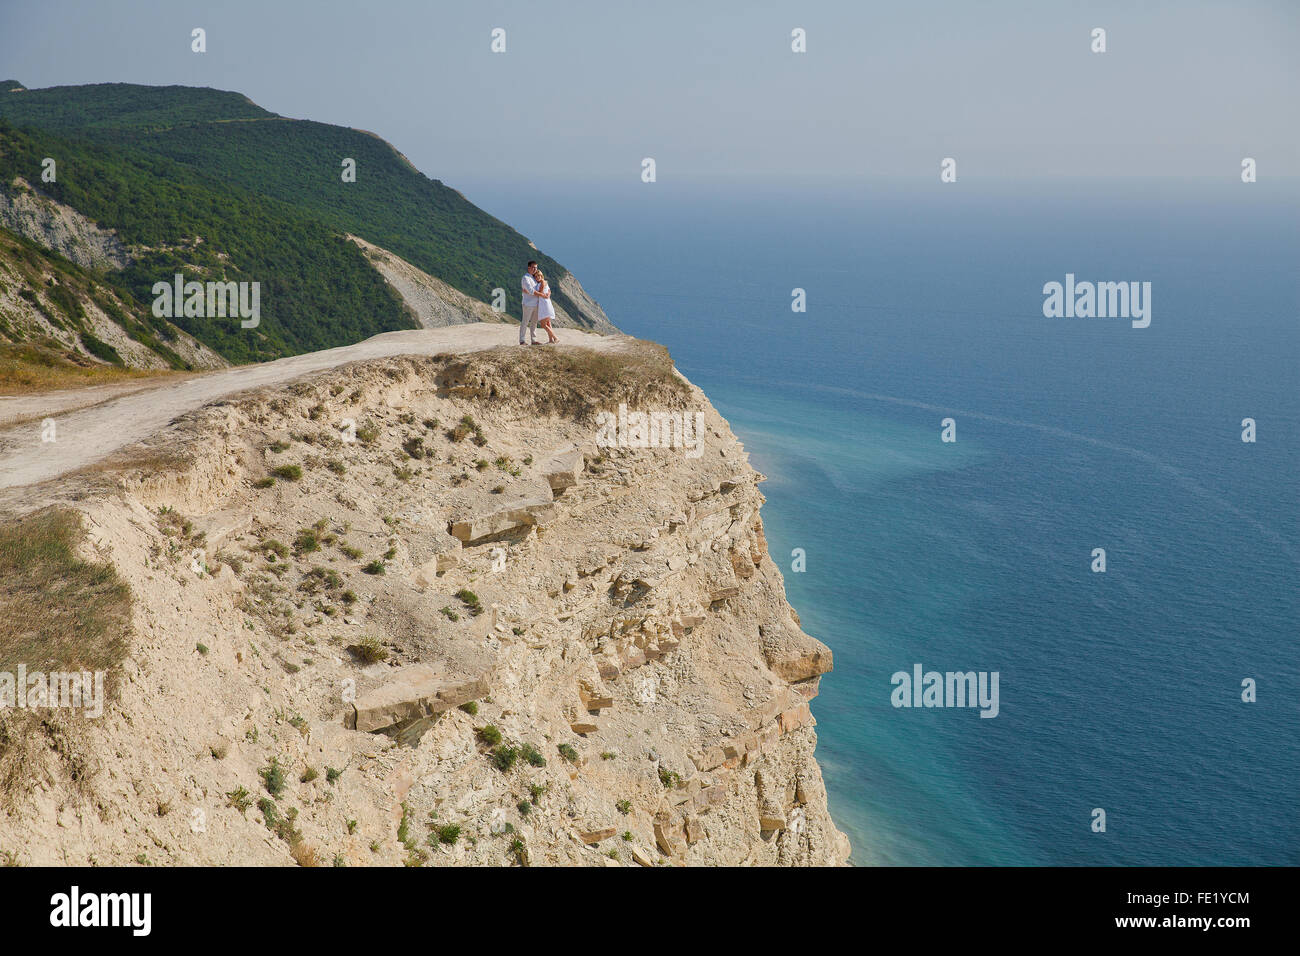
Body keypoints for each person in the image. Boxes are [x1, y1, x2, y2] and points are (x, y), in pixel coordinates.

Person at [534, 270, 558, 344]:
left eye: (539, 276)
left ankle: (555, 338)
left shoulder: (542, 282)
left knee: (543, 324)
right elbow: (549, 290)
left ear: (541, 276)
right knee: (548, 323)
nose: (537, 277)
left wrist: (532, 291)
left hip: (544, 303)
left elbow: (540, 292)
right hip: (544, 302)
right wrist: (548, 294)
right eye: (536, 276)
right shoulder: (544, 282)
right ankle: (551, 340)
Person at [520, 260, 541, 345]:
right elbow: (531, 290)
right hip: (528, 303)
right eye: (533, 267)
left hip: (536, 303)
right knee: (525, 322)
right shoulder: (525, 278)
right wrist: (541, 294)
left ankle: (534, 340)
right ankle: (522, 340)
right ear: (529, 268)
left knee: (534, 323)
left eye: (536, 267)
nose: (534, 269)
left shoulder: (535, 278)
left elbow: (537, 289)